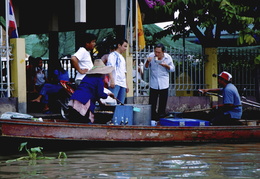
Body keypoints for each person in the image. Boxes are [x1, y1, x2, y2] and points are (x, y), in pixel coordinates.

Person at [68, 59, 115, 123]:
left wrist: (100, 102)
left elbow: (94, 92)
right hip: (84, 100)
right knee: (83, 120)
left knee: (75, 119)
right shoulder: (99, 80)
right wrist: (108, 95)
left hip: (75, 98)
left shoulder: (87, 76)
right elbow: (99, 93)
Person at [144, 43, 175, 120]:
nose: (156, 54)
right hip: (154, 82)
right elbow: (145, 68)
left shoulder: (168, 58)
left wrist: (166, 65)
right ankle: (152, 118)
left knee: (162, 102)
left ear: (163, 52)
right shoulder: (151, 56)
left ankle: (161, 117)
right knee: (152, 102)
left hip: (164, 83)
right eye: (155, 52)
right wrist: (147, 62)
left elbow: (172, 69)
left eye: (159, 52)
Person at [106, 39, 129, 104]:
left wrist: (126, 84)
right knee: (112, 102)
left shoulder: (122, 57)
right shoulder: (112, 55)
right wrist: (112, 80)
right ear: (119, 45)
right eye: (124, 46)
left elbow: (124, 72)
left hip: (122, 83)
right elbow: (109, 68)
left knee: (121, 103)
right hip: (115, 82)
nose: (126, 48)